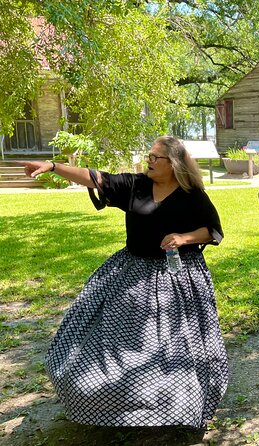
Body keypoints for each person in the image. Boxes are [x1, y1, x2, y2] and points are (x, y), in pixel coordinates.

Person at [21, 136, 229, 428]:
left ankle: (176, 404)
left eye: (156, 158)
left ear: (175, 164)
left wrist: (185, 238)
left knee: (176, 346)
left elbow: (212, 230)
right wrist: (53, 166)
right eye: (150, 156)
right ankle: (118, 400)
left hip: (178, 276)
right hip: (131, 273)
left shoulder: (191, 194)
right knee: (109, 336)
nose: (150, 161)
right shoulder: (136, 185)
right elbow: (95, 178)